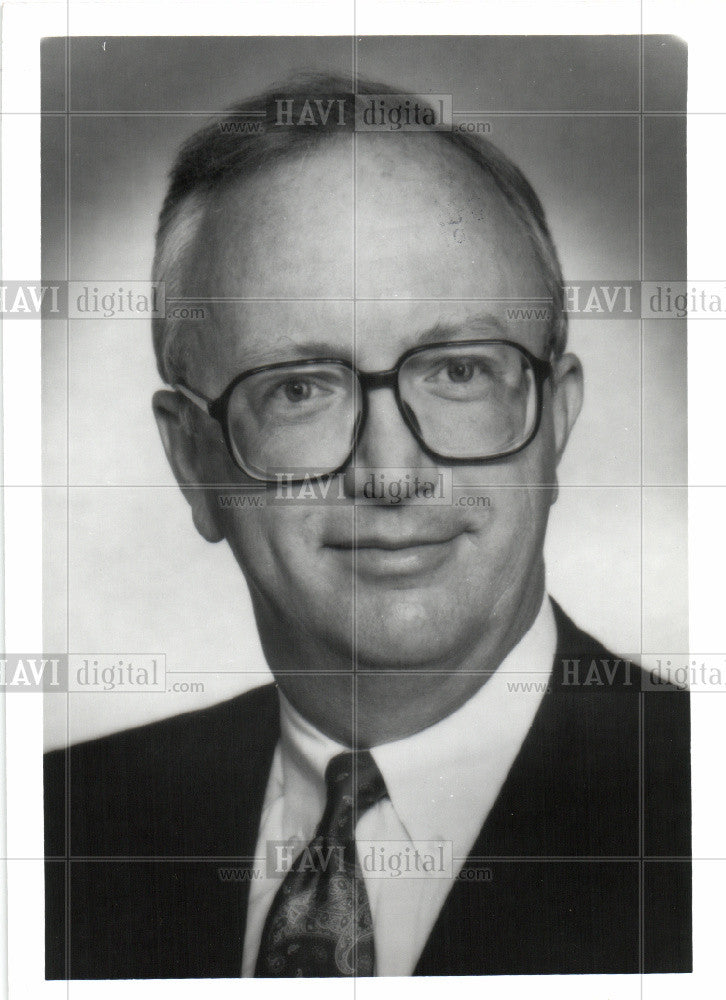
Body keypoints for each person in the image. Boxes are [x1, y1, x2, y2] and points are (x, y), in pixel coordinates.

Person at [45, 75, 691, 979]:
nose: (390, 472)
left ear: (557, 423)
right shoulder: (54, 832)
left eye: (460, 371)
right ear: (194, 462)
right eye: (300, 388)